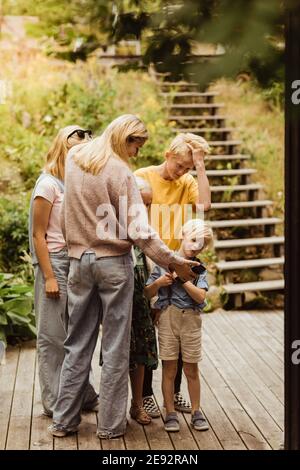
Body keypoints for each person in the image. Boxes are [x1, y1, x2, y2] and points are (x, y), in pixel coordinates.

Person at [48, 114, 199, 439]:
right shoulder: (121, 173)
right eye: (137, 146)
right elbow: (141, 232)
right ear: (126, 138)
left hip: (79, 262)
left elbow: (65, 209)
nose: (137, 155)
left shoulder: (75, 158)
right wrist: (175, 262)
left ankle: (63, 421)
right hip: (114, 264)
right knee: (116, 347)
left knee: (77, 342)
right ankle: (110, 426)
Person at [134, 132, 211, 417]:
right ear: (167, 155)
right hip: (149, 261)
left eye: (188, 168)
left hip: (177, 263)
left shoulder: (188, 181)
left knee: (175, 329)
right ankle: (144, 395)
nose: (182, 172)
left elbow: (203, 207)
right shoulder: (142, 175)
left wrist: (199, 168)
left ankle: (175, 392)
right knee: (146, 331)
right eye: (179, 165)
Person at [29, 125, 99, 416]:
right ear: (63, 148)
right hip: (54, 263)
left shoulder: (74, 183)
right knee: (52, 336)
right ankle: (54, 402)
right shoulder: (47, 184)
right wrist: (48, 276)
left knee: (75, 335)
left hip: (76, 262)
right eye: (74, 150)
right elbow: (38, 235)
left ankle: (81, 394)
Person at [144, 219, 213, 432]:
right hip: (168, 318)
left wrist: (183, 279)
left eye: (200, 245)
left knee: (192, 367)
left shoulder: (199, 269)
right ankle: (170, 413)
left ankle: (196, 412)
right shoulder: (164, 263)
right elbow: (147, 292)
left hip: (191, 319)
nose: (195, 247)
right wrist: (159, 283)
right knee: (169, 368)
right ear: (183, 234)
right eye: (193, 240)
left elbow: (201, 297)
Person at [129, 176, 158, 425]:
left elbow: (151, 269)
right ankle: (114, 405)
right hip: (120, 304)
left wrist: (155, 299)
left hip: (142, 305)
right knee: (119, 356)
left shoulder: (145, 231)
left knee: (140, 356)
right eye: (142, 204)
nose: (146, 210)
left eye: (149, 205)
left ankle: (137, 404)